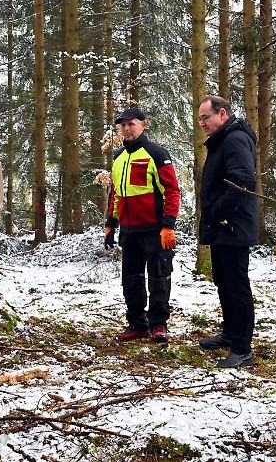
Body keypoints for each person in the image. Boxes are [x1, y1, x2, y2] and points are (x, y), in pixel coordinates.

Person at [103, 106, 181, 343]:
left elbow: (172, 190)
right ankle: (137, 323)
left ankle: (159, 324)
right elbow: (116, 193)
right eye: (123, 125)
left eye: (131, 124)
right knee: (131, 278)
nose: (127, 129)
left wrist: (168, 225)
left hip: (155, 229)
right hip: (129, 230)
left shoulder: (156, 153)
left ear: (143, 125)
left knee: (159, 277)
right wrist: (110, 224)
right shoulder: (118, 158)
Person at [195, 95, 259, 368]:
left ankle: (242, 348)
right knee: (223, 281)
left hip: (233, 225)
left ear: (222, 114)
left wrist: (219, 213)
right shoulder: (224, 140)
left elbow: (243, 180)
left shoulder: (234, 140)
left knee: (236, 285)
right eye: (199, 119)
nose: (202, 124)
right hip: (223, 227)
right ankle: (231, 333)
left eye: (205, 118)